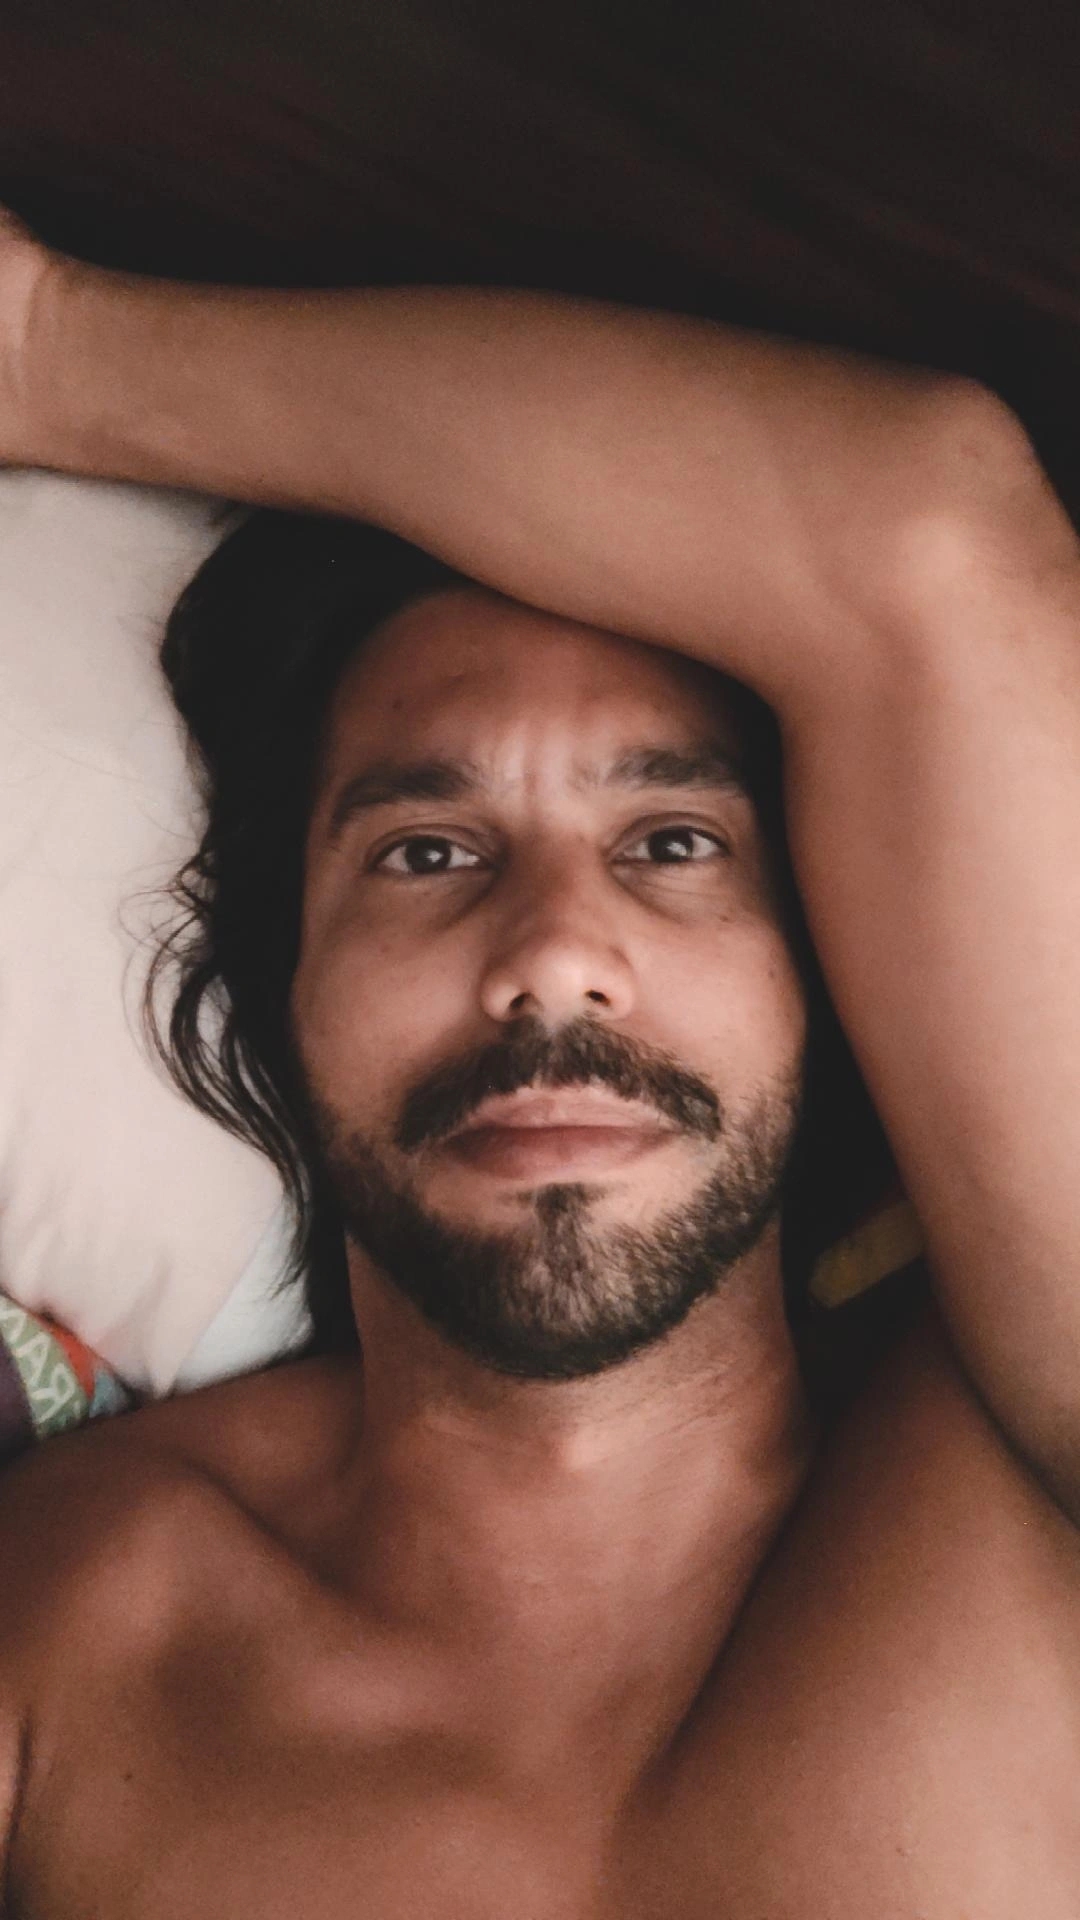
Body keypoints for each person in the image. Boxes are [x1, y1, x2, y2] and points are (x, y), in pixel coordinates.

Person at [1, 207, 1079, 1916]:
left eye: (672, 845)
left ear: (829, 976)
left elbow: (922, 528)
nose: (554, 954)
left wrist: (48, 350)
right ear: (293, 986)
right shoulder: (82, 1616)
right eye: (426, 852)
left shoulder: (1028, 1468)